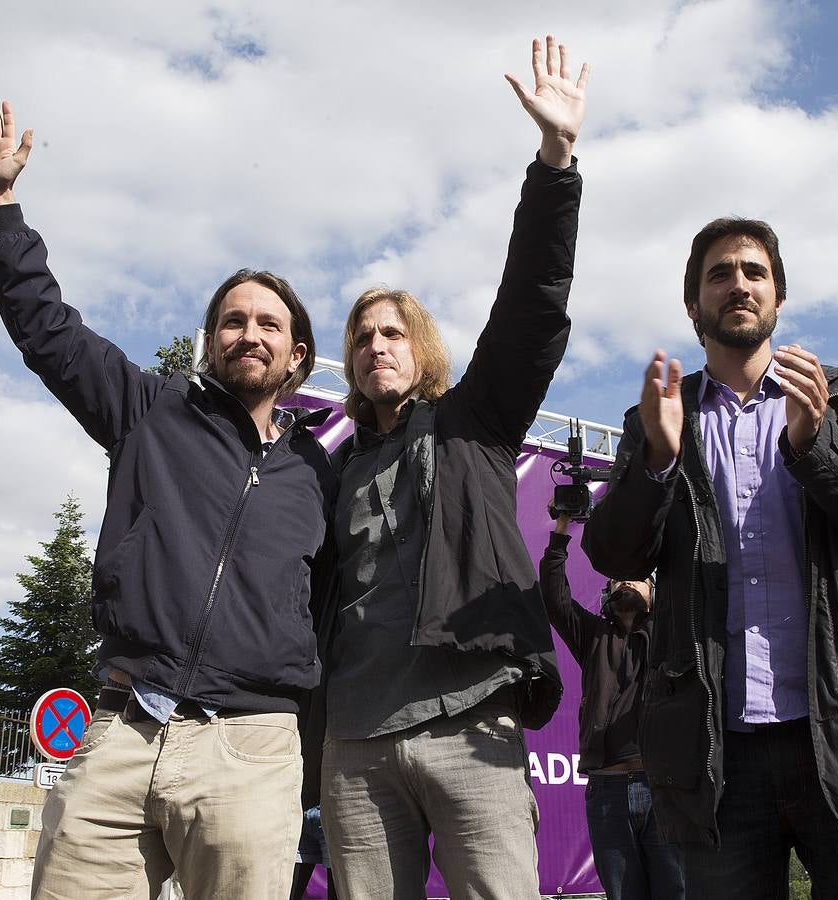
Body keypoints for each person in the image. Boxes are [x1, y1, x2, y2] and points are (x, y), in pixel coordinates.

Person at [0, 98, 336, 900]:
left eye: (268, 324)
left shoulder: (321, 474)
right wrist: (3, 210)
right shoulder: (149, 409)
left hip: (251, 748)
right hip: (122, 730)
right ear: (211, 342)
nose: (249, 333)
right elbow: (48, 332)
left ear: (296, 354)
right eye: (231, 321)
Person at [582, 217, 838, 899]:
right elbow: (612, 553)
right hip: (716, 750)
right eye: (719, 274)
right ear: (693, 305)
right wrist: (656, 461)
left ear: (778, 295)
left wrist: (818, 445)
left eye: (754, 272)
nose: (738, 285)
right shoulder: (658, 418)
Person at [317, 35, 588, 900]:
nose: (375, 346)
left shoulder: (474, 424)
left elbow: (531, 305)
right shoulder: (329, 470)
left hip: (470, 722)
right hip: (353, 739)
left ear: (420, 347)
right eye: (362, 337)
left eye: (392, 333)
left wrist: (554, 162)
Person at [541, 512, 684, 899]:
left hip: (664, 787)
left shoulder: (672, 634)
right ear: (607, 594)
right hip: (608, 792)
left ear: (655, 593)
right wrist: (561, 530)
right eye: (618, 577)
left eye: (638, 576)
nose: (627, 580)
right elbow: (555, 598)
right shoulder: (593, 636)